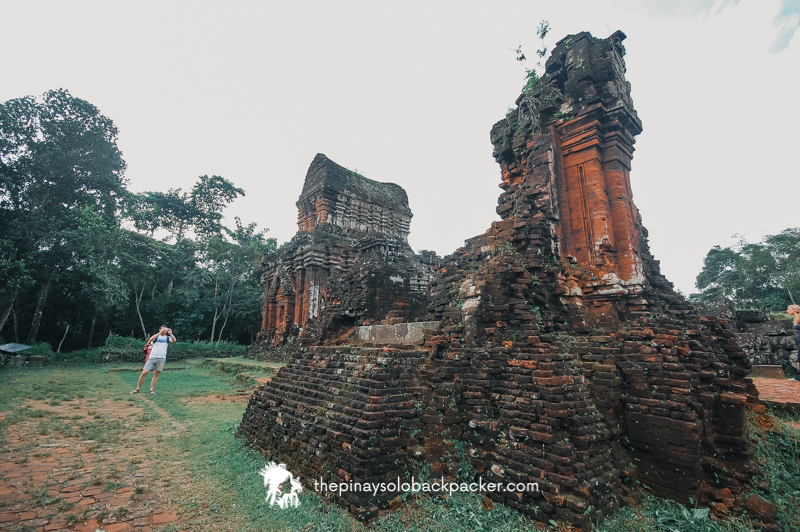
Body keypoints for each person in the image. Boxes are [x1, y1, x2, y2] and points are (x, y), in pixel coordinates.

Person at [130, 325, 176, 394]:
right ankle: (137, 388)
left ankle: (152, 389)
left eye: (165, 329)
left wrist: (170, 333)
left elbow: (174, 340)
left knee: (156, 373)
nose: (164, 331)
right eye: (163, 329)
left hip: (161, 358)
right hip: (152, 357)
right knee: (145, 372)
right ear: (159, 329)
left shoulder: (167, 338)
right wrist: (159, 333)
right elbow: (151, 339)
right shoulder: (156, 337)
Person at [787, 305, 800, 382]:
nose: (787, 311)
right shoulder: (797, 318)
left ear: (795, 310)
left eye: (789, 309)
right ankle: (798, 377)